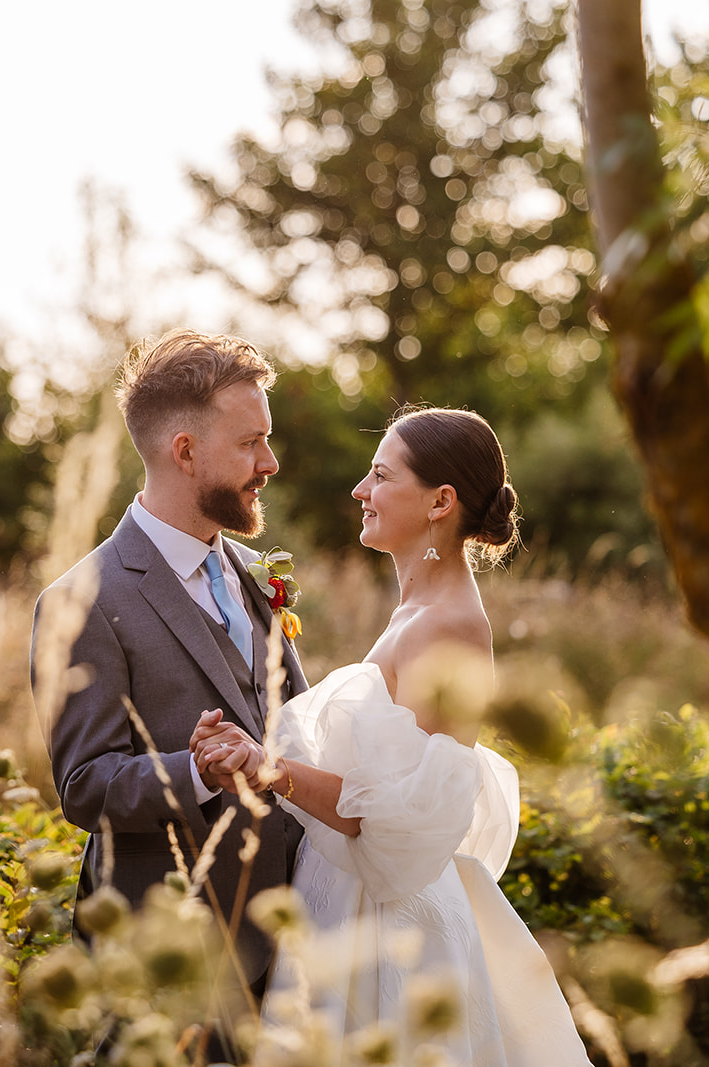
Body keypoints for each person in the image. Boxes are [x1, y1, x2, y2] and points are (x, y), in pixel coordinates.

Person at [191, 407, 593, 1066]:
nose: (360, 490)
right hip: (345, 905)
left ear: (440, 501)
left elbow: (403, 818)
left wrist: (267, 767)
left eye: (380, 475)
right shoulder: (418, 607)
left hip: (386, 936)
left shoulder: (451, 626)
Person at [32, 329, 308, 1008]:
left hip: (288, 949)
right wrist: (195, 773)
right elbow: (84, 787)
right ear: (185, 451)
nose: (269, 461)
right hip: (165, 961)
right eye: (250, 442)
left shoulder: (254, 575)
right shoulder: (81, 601)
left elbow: (291, 729)